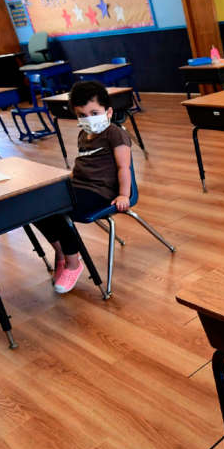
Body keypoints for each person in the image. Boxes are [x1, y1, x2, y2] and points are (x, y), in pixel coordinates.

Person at [31, 80, 133, 293]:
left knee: (57, 210)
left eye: (94, 112)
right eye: (82, 115)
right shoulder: (83, 135)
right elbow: (85, 165)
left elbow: (124, 167)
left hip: (100, 192)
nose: (89, 119)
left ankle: (73, 263)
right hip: (79, 187)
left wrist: (124, 195)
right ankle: (61, 253)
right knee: (34, 207)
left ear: (109, 111)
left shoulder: (114, 133)